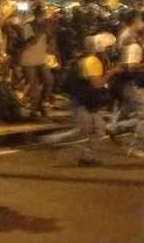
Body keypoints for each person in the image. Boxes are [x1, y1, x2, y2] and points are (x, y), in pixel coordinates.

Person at [40, 32, 122, 166]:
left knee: (99, 128)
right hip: (81, 100)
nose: (112, 50)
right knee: (83, 129)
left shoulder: (96, 60)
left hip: (88, 101)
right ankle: (52, 141)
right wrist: (112, 73)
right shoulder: (92, 61)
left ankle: (86, 157)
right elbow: (96, 84)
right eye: (110, 47)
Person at [19, 4, 54, 119]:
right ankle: (33, 110)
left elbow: (49, 42)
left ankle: (43, 103)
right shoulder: (28, 26)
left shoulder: (44, 26)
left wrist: (49, 33)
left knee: (49, 80)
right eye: (41, 14)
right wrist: (42, 30)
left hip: (41, 59)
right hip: (29, 59)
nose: (43, 17)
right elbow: (31, 41)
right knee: (33, 85)